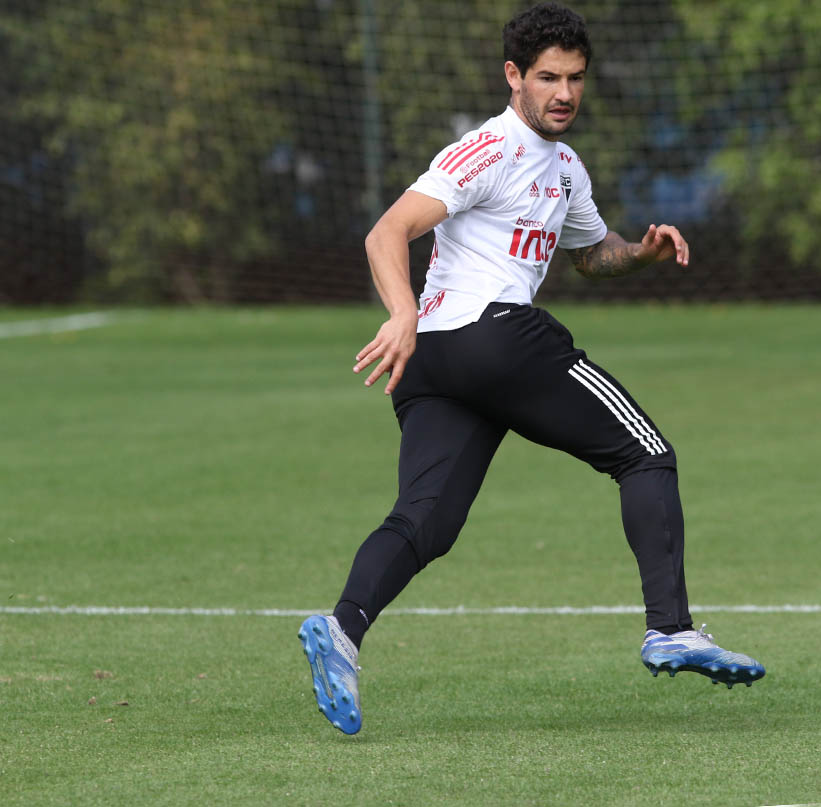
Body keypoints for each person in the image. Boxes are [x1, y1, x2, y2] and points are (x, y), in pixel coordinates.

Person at [298, 1, 764, 735]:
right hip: (489, 338)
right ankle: (671, 626)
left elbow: (588, 254)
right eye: (547, 77)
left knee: (426, 521)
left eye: (575, 78)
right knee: (647, 455)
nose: (564, 93)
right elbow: (388, 230)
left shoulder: (565, 167)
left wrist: (636, 254)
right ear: (512, 76)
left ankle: (343, 628)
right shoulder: (487, 149)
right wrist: (399, 312)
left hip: (439, 366)